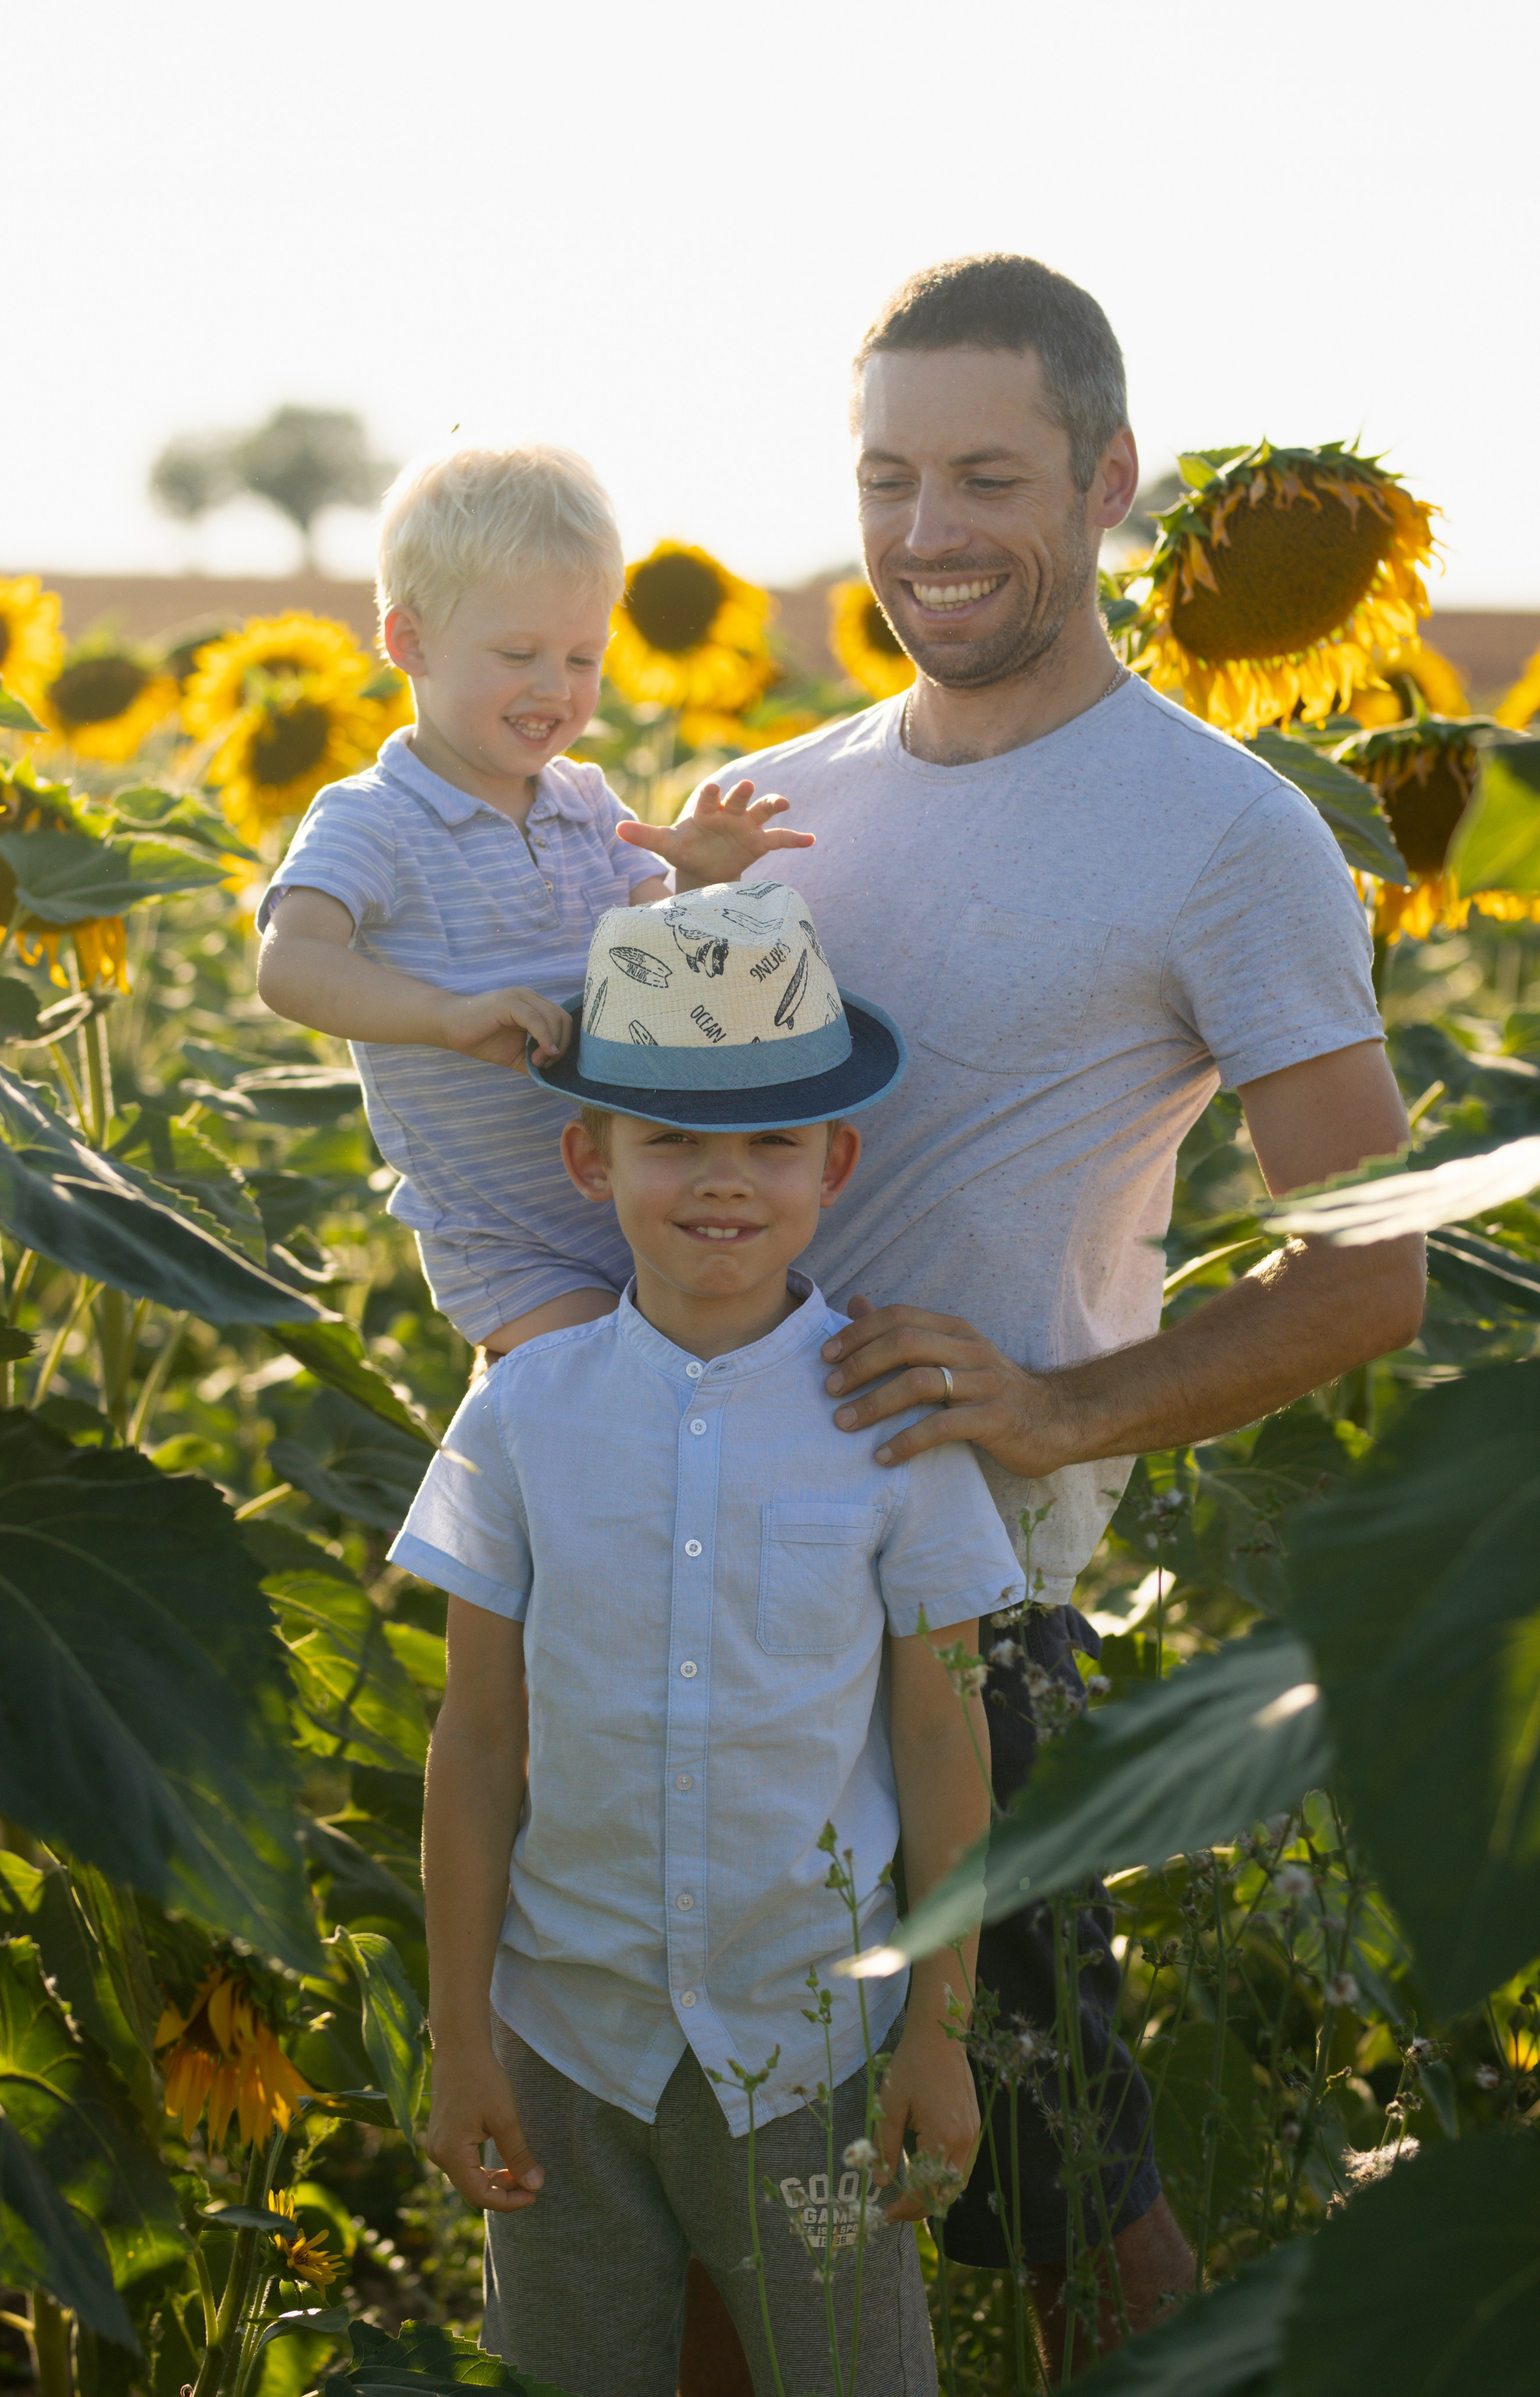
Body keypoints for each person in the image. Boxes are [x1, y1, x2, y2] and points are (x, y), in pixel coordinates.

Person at [620, 253, 1427, 2372]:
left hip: (959, 1627)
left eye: (988, 475)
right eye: (890, 477)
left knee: (1074, 2220)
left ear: (1108, 481)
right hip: (693, 1604)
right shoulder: (778, 806)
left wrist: (1067, 1412)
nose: (929, 532)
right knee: (722, 2219)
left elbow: (1379, 1265)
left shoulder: (1228, 834)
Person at [392, 881, 1026, 2397]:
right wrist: (460, 2033)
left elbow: (942, 1742)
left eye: (769, 1143)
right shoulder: (523, 1415)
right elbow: (477, 1744)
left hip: (813, 2043)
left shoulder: (893, 1425)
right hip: (564, 2040)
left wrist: (937, 2036)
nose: (720, 1184)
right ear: (586, 1155)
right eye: (669, 1138)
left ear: (835, 1163)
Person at [255, 442, 812, 1358]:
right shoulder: (371, 819)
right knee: (591, 1402)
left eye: (583, 658)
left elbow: (667, 965)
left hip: (650, 1208)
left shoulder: (589, 804)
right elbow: (292, 963)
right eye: (519, 654)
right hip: (510, 1244)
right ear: (411, 641)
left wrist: (702, 889)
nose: (556, 689)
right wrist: (448, 1016)